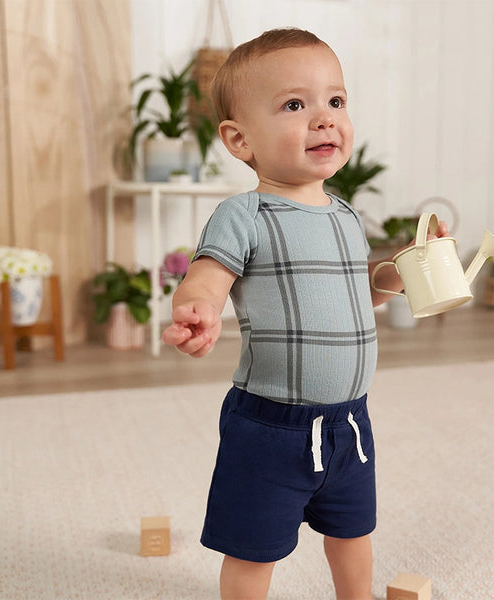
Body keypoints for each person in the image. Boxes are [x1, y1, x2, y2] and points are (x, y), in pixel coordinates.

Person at [162, 28, 443, 600]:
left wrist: (407, 268)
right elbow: (208, 275)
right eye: (296, 104)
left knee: (353, 532)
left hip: (350, 425)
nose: (324, 118)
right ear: (240, 140)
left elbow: (358, 288)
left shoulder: (344, 215)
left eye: (335, 101)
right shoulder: (245, 215)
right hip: (270, 425)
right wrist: (198, 307)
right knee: (253, 545)